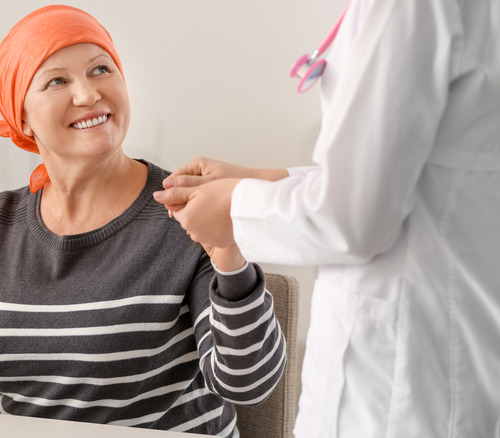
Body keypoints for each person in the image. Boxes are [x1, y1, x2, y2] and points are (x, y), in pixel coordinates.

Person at [0, 5, 286, 438]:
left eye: (100, 70)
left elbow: (249, 384)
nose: (87, 94)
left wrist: (228, 253)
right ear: (21, 117)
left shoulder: (188, 214)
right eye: (57, 80)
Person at [153, 1, 500, 437]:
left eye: (101, 70)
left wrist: (235, 210)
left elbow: (355, 216)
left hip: (404, 383)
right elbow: (393, 176)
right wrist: (262, 179)